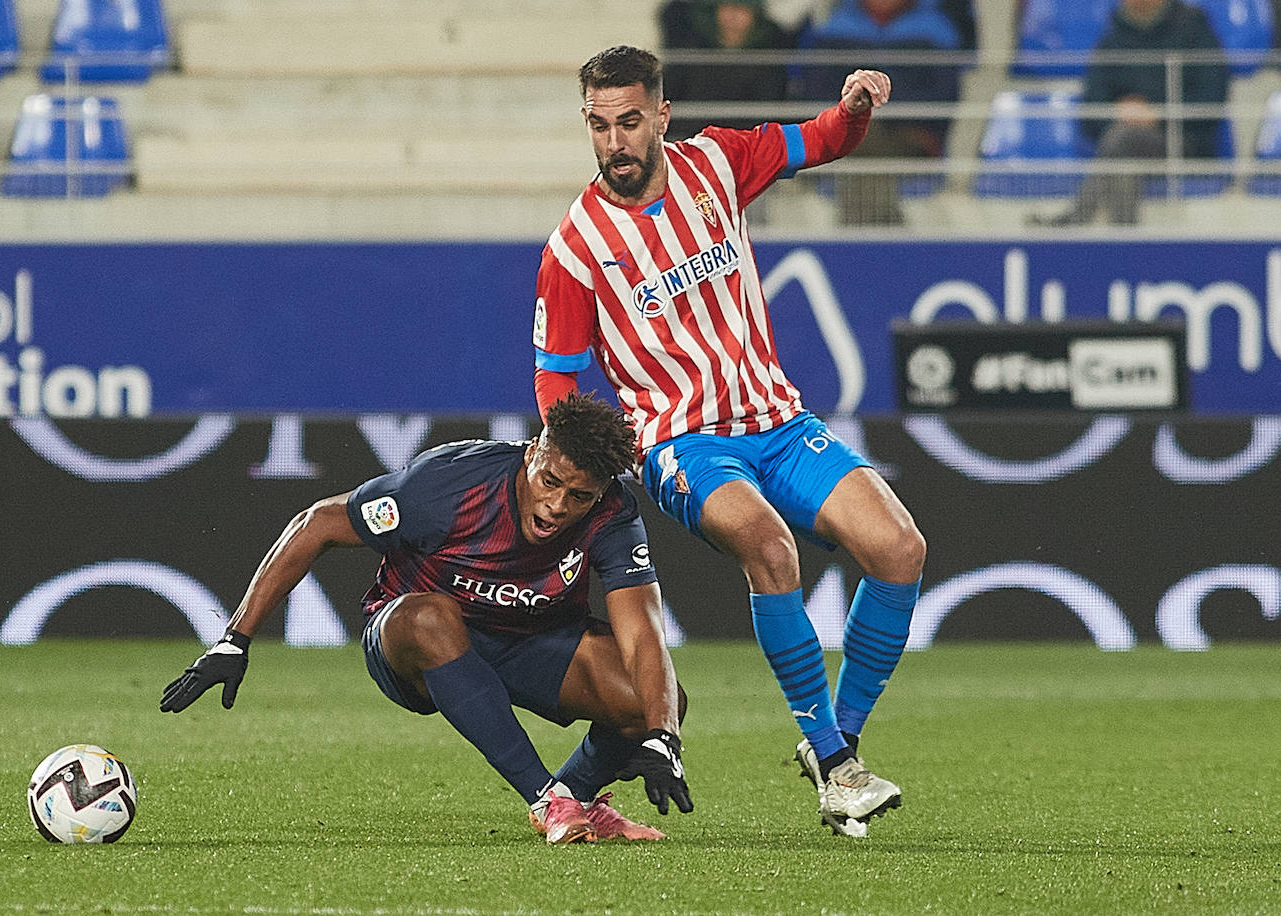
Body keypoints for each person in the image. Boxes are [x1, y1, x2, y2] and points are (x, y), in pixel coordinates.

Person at [532, 46, 925, 837]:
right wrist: (595, 468)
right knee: (769, 546)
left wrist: (852, 109)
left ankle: (831, 743)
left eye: (630, 122)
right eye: (600, 125)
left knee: (900, 547)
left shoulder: (717, 162)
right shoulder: (575, 248)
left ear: (661, 117)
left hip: (776, 421)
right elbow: (557, 387)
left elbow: (823, 139)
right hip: (682, 442)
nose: (615, 142)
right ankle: (838, 766)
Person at [160, 392, 693, 845]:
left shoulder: (613, 514)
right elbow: (317, 523)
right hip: (414, 643)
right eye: (549, 481)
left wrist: (663, 735)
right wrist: (234, 640)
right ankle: (545, 799)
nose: (556, 505)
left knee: (651, 698)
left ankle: (576, 800)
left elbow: (643, 633)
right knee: (431, 616)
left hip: (528, 641)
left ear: (599, 494)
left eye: (578, 496)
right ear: (533, 452)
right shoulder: (449, 484)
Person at [1029, 0, 1230, 227]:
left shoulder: (1193, 29)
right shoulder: (1113, 37)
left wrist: (1156, 113)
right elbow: (1091, 107)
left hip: (1185, 141)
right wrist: (1119, 112)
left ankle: (1082, 218)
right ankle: (1125, 236)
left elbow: (1212, 95)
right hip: (1123, 142)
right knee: (1124, 153)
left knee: (1121, 142)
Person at [792, 0, 964, 225]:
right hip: (848, 128)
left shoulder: (936, 29)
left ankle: (857, 235)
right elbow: (815, 91)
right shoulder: (834, 27)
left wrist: (885, 111)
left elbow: (944, 96)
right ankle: (885, 234)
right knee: (864, 140)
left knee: (864, 145)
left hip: (911, 134)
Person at [658, 0, 797, 137]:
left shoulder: (769, 57)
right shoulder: (692, 52)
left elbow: (769, 111)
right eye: (727, 7)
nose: (733, 16)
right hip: (692, 142)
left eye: (742, 9)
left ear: (755, 14)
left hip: (745, 145)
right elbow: (671, 94)